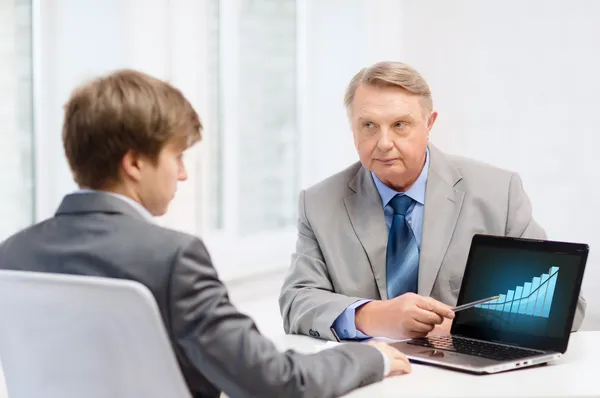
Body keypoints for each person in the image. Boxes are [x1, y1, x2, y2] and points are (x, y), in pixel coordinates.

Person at [0, 69, 412, 398]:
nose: (182, 172)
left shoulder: (12, 255)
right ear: (134, 164)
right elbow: (276, 381)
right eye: (176, 156)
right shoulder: (172, 258)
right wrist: (367, 357)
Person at [279, 61, 586, 342]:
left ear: (429, 124)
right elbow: (297, 301)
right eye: (368, 125)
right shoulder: (319, 204)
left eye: (400, 124)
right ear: (353, 129)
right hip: (370, 375)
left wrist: (464, 325)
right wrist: (371, 316)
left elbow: (566, 306)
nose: (384, 143)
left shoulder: (498, 193)